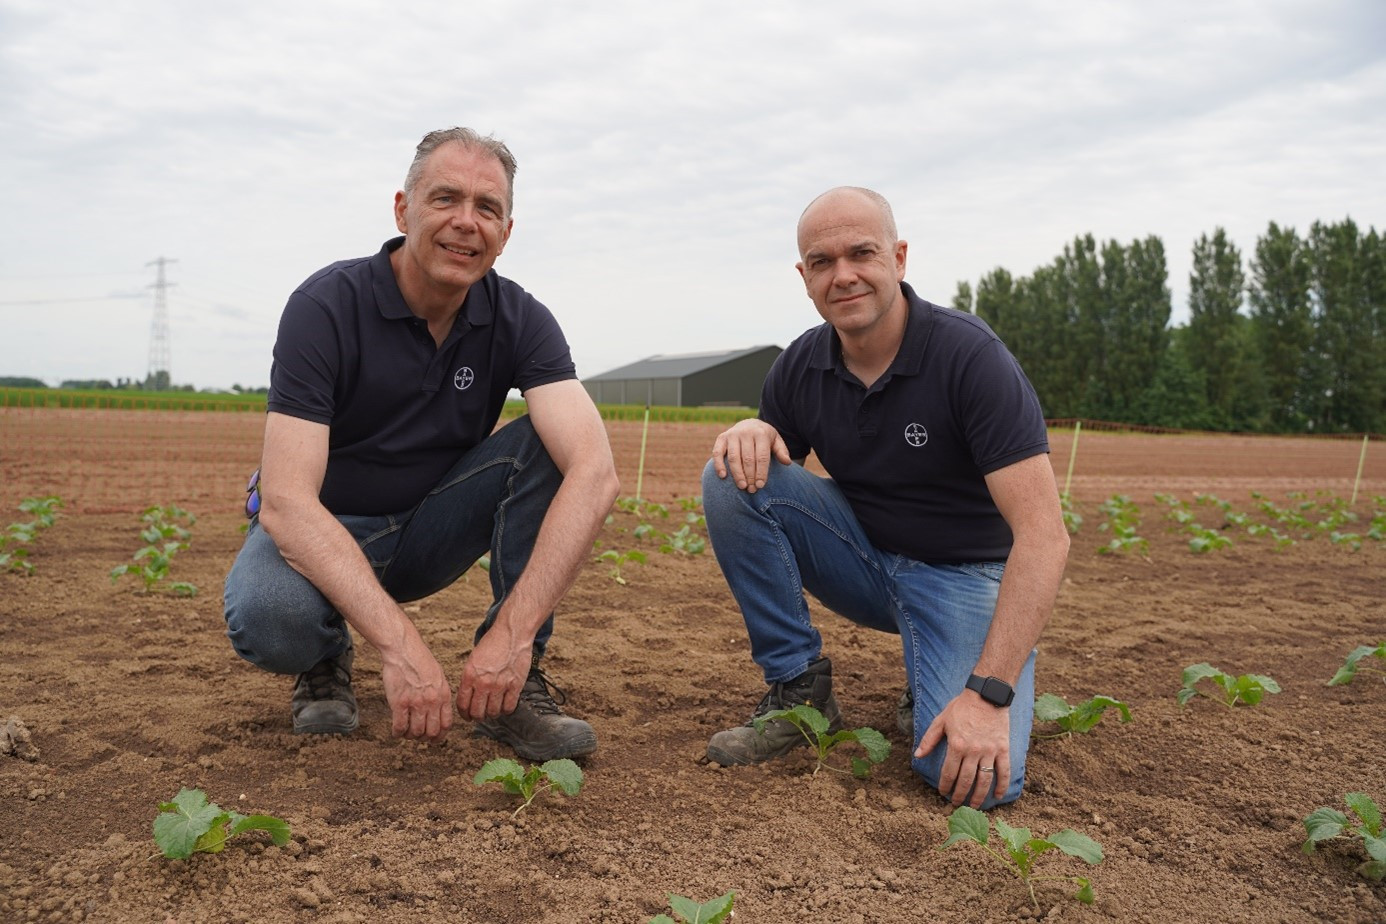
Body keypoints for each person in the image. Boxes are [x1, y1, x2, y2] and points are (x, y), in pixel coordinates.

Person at [223, 127, 619, 761]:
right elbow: (287, 503)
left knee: (555, 447)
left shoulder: (520, 318)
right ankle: (326, 656)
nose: (466, 223)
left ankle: (513, 684)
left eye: (487, 208)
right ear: (403, 209)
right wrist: (400, 647)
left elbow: (596, 473)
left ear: (506, 232)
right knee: (270, 617)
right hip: (330, 529)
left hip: (432, 527)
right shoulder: (325, 306)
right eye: (445, 199)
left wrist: (514, 635)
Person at [702, 187, 1069, 808]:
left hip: (965, 575)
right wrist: (751, 430)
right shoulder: (799, 366)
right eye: (822, 262)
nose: (842, 275)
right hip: (866, 559)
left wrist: (988, 693)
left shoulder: (968, 357)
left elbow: (1044, 535)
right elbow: (767, 467)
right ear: (804, 276)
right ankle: (799, 690)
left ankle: (951, 669)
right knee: (732, 475)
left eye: (861, 253)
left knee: (972, 780)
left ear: (898, 258)